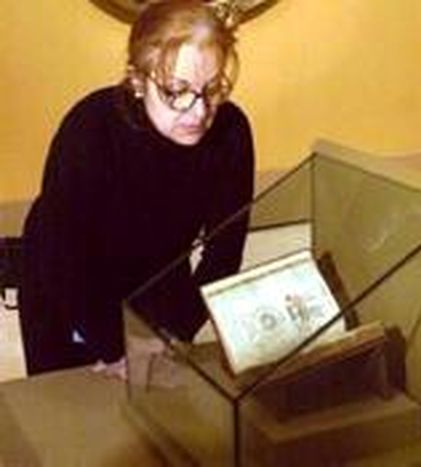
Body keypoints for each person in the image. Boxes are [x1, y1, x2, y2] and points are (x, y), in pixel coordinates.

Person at [19, 0, 255, 378]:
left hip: (160, 279)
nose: (198, 112)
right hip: (67, 291)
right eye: (176, 91)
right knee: (72, 405)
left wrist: (175, 335)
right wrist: (114, 347)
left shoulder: (231, 132)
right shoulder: (90, 127)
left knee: (160, 398)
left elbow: (224, 254)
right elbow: (62, 256)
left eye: (212, 90)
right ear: (138, 80)